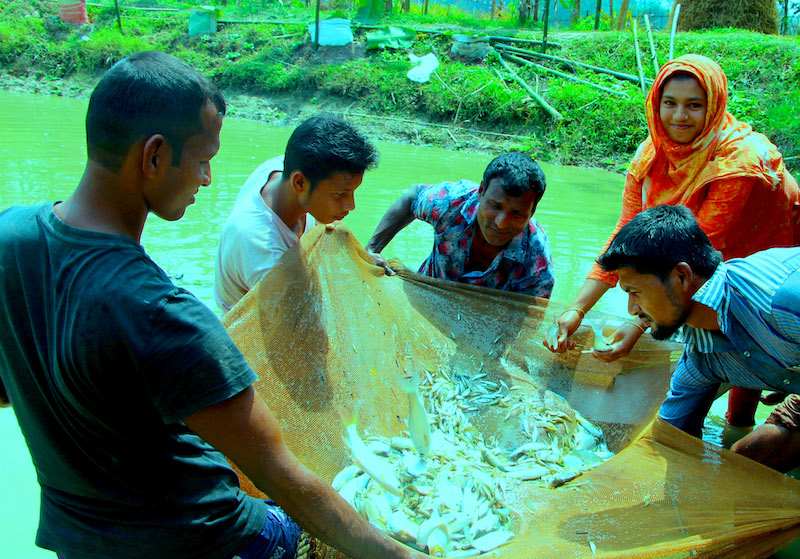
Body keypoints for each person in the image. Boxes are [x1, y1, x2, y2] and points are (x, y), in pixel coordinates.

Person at [0, 51, 428, 559]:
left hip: (79, 540)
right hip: (208, 539)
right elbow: (288, 480)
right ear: (154, 156)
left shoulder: (9, 236)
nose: (207, 179)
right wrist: (397, 556)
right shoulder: (162, 313)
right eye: (202, 161)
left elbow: (8, 393)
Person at [545, 54, 799, 430]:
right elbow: (625, 237)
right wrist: (577, 310)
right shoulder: (650, 155)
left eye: (694, 105)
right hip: (694, 249)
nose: (680, 116)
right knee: (718, 354)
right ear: (656, 104)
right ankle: (735, 426)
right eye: (670, 103)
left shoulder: (740, 160)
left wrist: (639, 325)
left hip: (764, 255)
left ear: (713, 106)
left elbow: (693, 257)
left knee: (753, 333)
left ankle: (743, 422)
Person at [597, 204, 800, 471]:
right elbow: (672, 437)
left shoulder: (783, 302)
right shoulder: (701, 360)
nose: (632, 310)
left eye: (635, 292)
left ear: (681, 276)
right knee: (743, 465)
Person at [214, 113, 379, 313]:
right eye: (340, 194)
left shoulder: (279, 168)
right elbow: (295, 324)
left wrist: (359, 263)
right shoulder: (265, 252)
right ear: (299, 182)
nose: (350, 205)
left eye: (352, 192)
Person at [365, 152, 554, 297]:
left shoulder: (537, 261)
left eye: (517, 213)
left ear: (532, 212)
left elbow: (527, 325)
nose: (501, 223)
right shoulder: (451, 202)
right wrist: (372, 249)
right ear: (481, 192)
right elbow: (412, 197)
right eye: (495, 206)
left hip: (482, 328)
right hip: (425, 300)